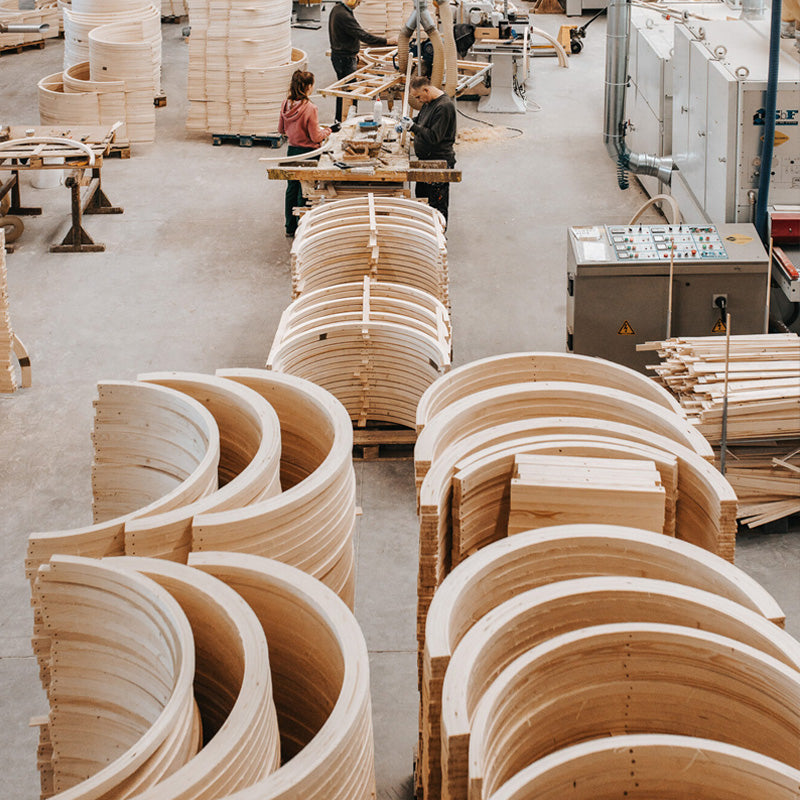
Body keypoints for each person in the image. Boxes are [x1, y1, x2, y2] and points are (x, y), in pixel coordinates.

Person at [278, 70, 331, 238]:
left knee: (291, 189)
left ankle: (289, 226)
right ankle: (302, 228)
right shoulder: (310, 108)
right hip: (309, 152)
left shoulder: (286, 104)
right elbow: (315, 136)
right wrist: (329, 130)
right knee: (305, 189)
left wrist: (295, 132)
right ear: (308, 86)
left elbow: (281, 129)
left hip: (292, 151)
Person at [400, 74, 457, 225]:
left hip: (439, 162)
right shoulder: (429, 101)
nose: (418, 101)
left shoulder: (444, 106)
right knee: (422, 199)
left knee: (437, 204)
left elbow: (433, 137)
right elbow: (422, 120)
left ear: (426, 90)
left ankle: (439, 236)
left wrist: (413, 128)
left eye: (418, 97)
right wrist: (410, 122)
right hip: (427, 159)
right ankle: (425, 229)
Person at [328, 0, 397, 121]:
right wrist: (388, 41)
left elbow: (348, 35)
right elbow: (364, 36)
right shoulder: (343, 15)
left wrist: (354, 52)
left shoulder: (337, 9)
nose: (358, 4)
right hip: (344, 59)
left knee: (344, 91)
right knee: (349, 92)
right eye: (358, 1)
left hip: (342, 56)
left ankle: (340, 119)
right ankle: (346, 121)